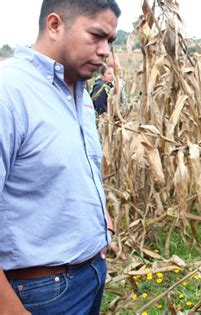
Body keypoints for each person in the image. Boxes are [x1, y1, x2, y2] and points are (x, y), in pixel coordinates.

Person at [0, 0, 120, 314]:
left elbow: (71, 170)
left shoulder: (79, 95)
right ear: (55, 25)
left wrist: (99, 222)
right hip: (38, 292)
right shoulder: (9, 92)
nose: (105, 50)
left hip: (89, 275)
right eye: (96, 36)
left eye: (110, 40)